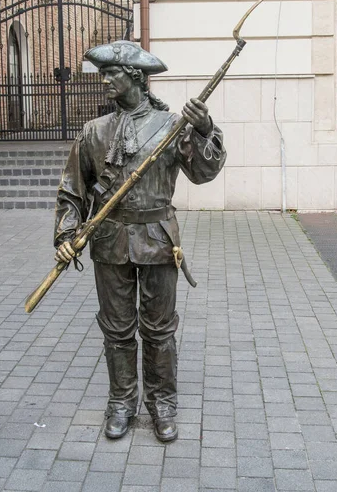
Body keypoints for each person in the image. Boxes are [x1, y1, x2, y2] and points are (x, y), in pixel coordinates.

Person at [54, 41, 226, 442]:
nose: (105, 82)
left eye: (111, 74)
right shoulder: (94, 131)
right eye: (104, 74)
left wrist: (204, 129)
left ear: (134, 77)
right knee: (116, 330)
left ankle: (163, 404)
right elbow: (71, 193)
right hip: (110, 241)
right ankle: (122, 402)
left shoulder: (171, 127)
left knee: (160, 329)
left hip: (158, 240)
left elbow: (204, 173)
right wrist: (66, 234)